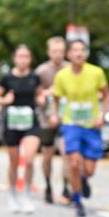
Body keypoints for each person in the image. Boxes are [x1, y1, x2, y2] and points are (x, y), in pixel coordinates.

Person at [50, 40, 109, 217]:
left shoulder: (96, 72)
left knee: (89, 170)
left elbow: (107, 95)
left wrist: (102, 115)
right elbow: (56, 98)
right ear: (68, 55)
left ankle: (83, 180)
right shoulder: (62, 75)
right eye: (75, 50)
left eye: (82, 50)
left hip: (91, 125)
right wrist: (55, 114)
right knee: (74, 163)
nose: (78, 54)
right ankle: (77, 200)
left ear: (86, 54)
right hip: (71, 124)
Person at [0, 45, 43, 213]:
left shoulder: (34, 77)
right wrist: (4, 100)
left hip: (30, 122)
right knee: (14, 161)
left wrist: (41, 100)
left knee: (30, 158)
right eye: (20, 56)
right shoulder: (7, 78)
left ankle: (26, 195)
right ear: (15, 58)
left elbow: (39, 94)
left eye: (26, 56)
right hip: (12, 123)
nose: (23, 59)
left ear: (30, 59)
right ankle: (12, 195)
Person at [35, 37, 69, 204]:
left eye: (61, 51)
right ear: (49, 52)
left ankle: (66, 187)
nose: (58, 55)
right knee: (47, 155)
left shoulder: (70, 69)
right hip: (46, 119)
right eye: (55, 51)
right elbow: (36, 93)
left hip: (65, 117)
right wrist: (42, 96)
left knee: (66, 153)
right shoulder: (41, 71)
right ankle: (48, 185)